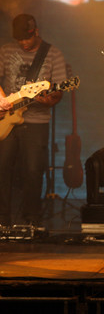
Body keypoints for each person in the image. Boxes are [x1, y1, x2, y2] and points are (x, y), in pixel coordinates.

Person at [0, 14, 66, 227]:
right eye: (19, 40)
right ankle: (2, 220)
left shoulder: (53, 54)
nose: (23, 43)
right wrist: (1, 99)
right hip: (5, 120)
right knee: (2, 169)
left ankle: (31, 221)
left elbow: (58, 91)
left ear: (35, 32)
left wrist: (47, 100)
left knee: (32, 170)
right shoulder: (6, 50)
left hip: (37, 121)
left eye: (26, 39)